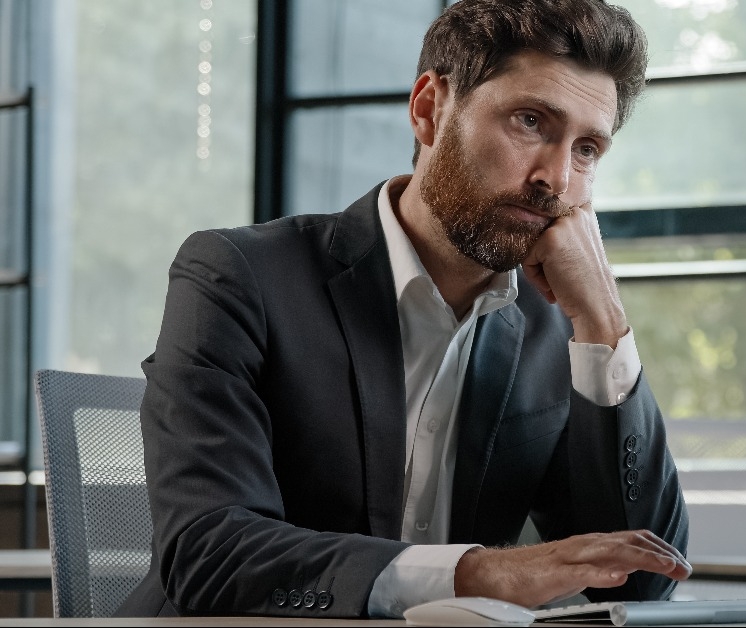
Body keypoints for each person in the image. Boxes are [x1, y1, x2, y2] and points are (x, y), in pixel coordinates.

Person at [117, 0, 690, 618]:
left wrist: (605, 321)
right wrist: (477, 574)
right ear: (429, 110)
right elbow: (210, 554)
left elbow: (642, 582)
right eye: (529, 121)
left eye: (586, 150)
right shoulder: (240, 275)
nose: (555, 179)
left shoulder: (557, 331)